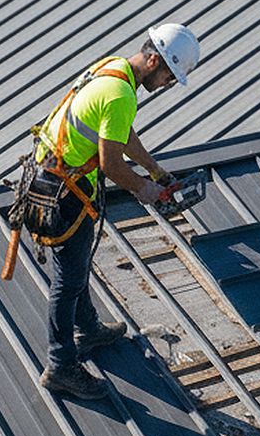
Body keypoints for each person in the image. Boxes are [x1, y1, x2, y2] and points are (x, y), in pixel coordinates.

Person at [35, 23, 200, 400]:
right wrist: (146, 189)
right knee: (68, 280)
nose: (170, 84)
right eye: (170, 76)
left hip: (59, 177)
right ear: (155, 59)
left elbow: (120, 135)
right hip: (64, 191)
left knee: (76, 268)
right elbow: (111, 164)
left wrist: (154, 168)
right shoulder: (121, 95)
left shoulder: (115, 69)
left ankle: (88, 328)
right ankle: (60, 366)